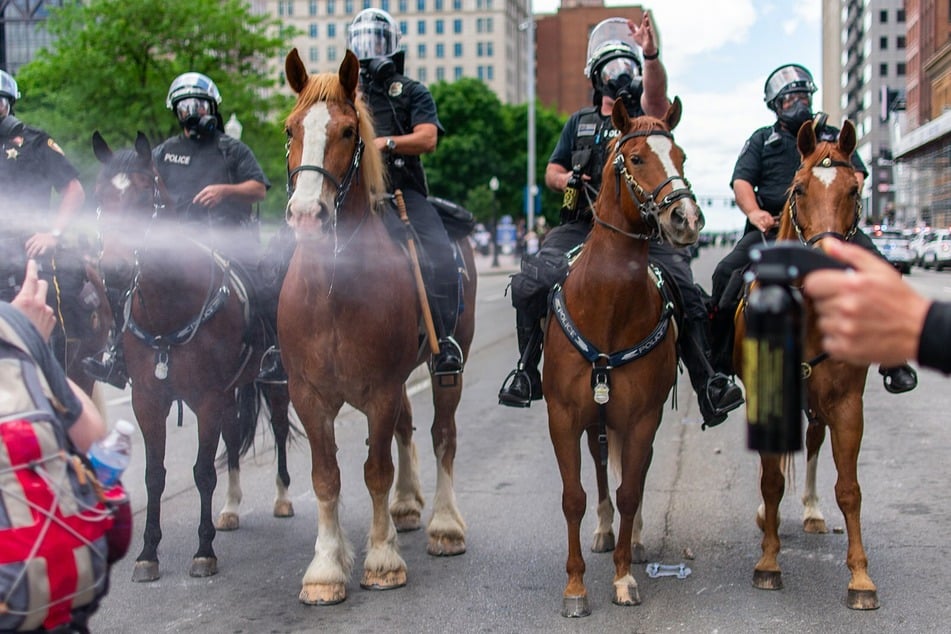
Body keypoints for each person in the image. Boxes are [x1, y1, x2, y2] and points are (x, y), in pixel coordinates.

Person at [497, 13, 744, 428]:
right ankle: (526, 370)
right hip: (581, 226)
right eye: (612, 68)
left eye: (627, 68)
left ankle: (709, 382)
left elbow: (661, 97)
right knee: (531, 281)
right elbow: (551, 172)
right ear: (596, 76)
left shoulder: (646, 119)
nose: (620, 75)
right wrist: (567, 178)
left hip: (643, 234)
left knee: (686, 290)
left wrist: (650, 53)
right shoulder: (579, 122)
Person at [709, 63, 918, 395]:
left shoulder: (833, 136)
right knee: (725, 275)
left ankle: (893, 359)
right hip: (773, 227)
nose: (799, 104)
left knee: (886, 272)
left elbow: (857, 174)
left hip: (831, 226)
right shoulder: (762, 140)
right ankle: (717, 369)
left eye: (803, 96)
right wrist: (755, 212)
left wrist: (839, 202)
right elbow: (742, 182)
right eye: (790, 99)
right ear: (776, 105)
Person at [82, 72, 284, 385]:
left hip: (231, 238)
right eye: (183, 107)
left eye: (198, 106)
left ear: (212, 109)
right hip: (178, 239)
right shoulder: (163, 152)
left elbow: (259, 188)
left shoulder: (232, 149)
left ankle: (273, 355)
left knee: (265, 284)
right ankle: (117, 355)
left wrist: (224, 191)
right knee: (125, 279)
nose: (191, 113)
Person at [348, 8, 464, 376]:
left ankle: (444, 340)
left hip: (403, 193)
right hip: (354, 195)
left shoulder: (412, 91)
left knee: (442, 255)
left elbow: (428, 138)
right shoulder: (347, 95)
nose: (371, 50)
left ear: (393, 46)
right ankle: (280, 342)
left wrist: (387, 143)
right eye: (364, 43)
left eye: (378, 41)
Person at [803, 239, 951, 374]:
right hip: (799, 226)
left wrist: (923, 326)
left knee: (886, 268)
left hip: (845, 230)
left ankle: (893, 362)